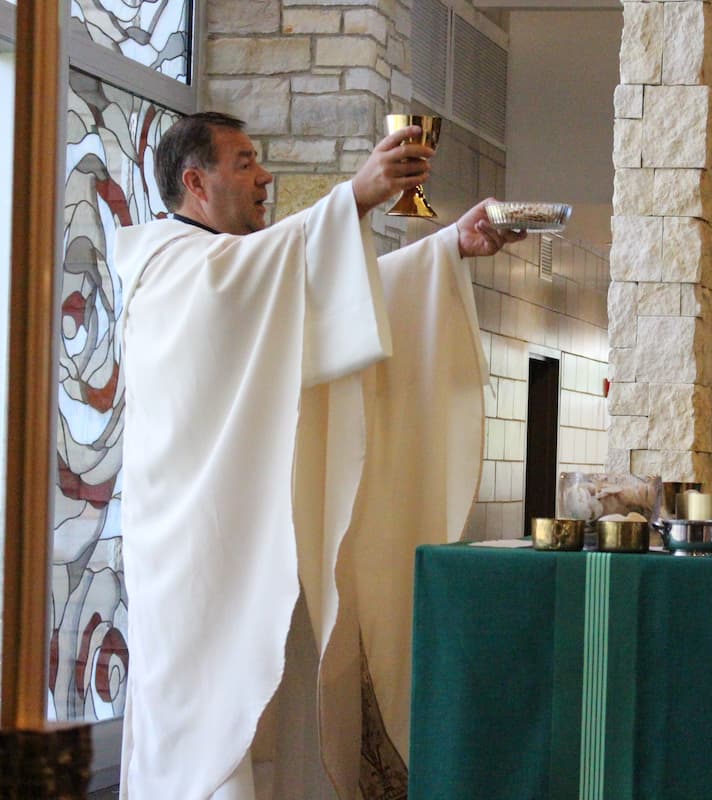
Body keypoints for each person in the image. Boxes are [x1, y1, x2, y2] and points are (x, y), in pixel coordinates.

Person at [115, 111, 523, 799]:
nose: (265, 175)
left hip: (273, 552)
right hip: (202, 567)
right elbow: (249, 282)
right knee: (216, 754)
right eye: (244, 163)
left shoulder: (242, 270)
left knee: (294, 723)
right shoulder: (170, 271)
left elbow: (325, 301)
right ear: (195, 181)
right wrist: (355, 196)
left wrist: (449, 244)